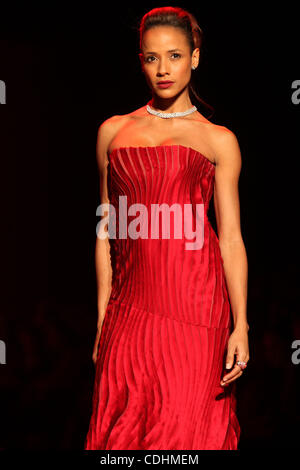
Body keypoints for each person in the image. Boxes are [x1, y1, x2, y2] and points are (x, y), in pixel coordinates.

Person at [84, 6, 249, 450]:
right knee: (122, 431)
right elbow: (107, 230)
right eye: (152, 58)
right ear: (140, 60)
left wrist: (241, 324)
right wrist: (103, 316)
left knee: (185, 434)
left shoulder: (218, 140)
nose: (163, 69)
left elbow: (230, 237)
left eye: (175, 56)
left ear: (194, 58)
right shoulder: (113, 132)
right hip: (129, 307)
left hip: (197, 307)